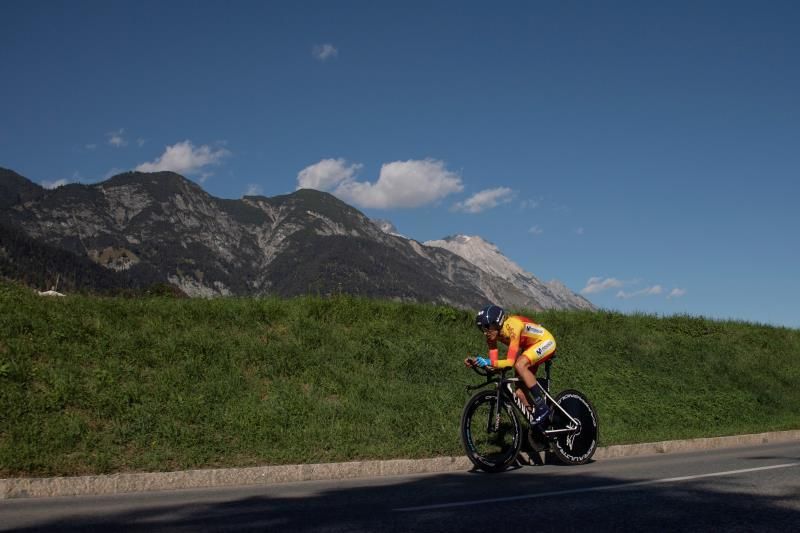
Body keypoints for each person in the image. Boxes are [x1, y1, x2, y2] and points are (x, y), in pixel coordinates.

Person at [465, 304, 556, 426]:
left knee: (519, 364)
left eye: (487, 327)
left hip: (545, 341)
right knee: (520, 393)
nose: (485, 332)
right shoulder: (491, 336)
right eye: (482, 329)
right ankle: (542, 426)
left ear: (497, 322)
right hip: (529, 348)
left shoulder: (513, 326)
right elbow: (495, 366)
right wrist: (478, 363)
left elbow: (510, 362)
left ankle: (542, 406)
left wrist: (487, 361)